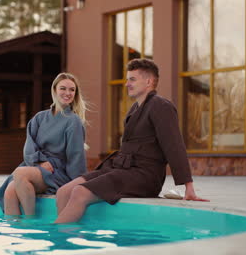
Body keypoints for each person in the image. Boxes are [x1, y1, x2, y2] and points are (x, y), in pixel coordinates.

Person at [54, 58, 209, 224]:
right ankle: (70, 235)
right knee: (64, 191)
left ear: (148, 81)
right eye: (127, 79)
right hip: (122, 169)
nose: (127, 83)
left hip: (144, 176)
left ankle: (60, 240)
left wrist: (188, 186)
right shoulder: (134, 109)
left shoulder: (161, 106)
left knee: (79, 192)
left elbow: (174, 146)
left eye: (132, 79)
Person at [0, 72, 88, 216]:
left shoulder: (73, 120)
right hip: (35, 166)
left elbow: (75, 156)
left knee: (20, 173)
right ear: (55, 90)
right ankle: (15, 232)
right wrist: (39, 162)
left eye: (72, 90)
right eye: (63, 88)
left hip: (58, 172)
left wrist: (76, 184)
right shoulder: (39, 118)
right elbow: (29, 147)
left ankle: (30, 222)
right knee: (9, 192)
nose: (67, 93)